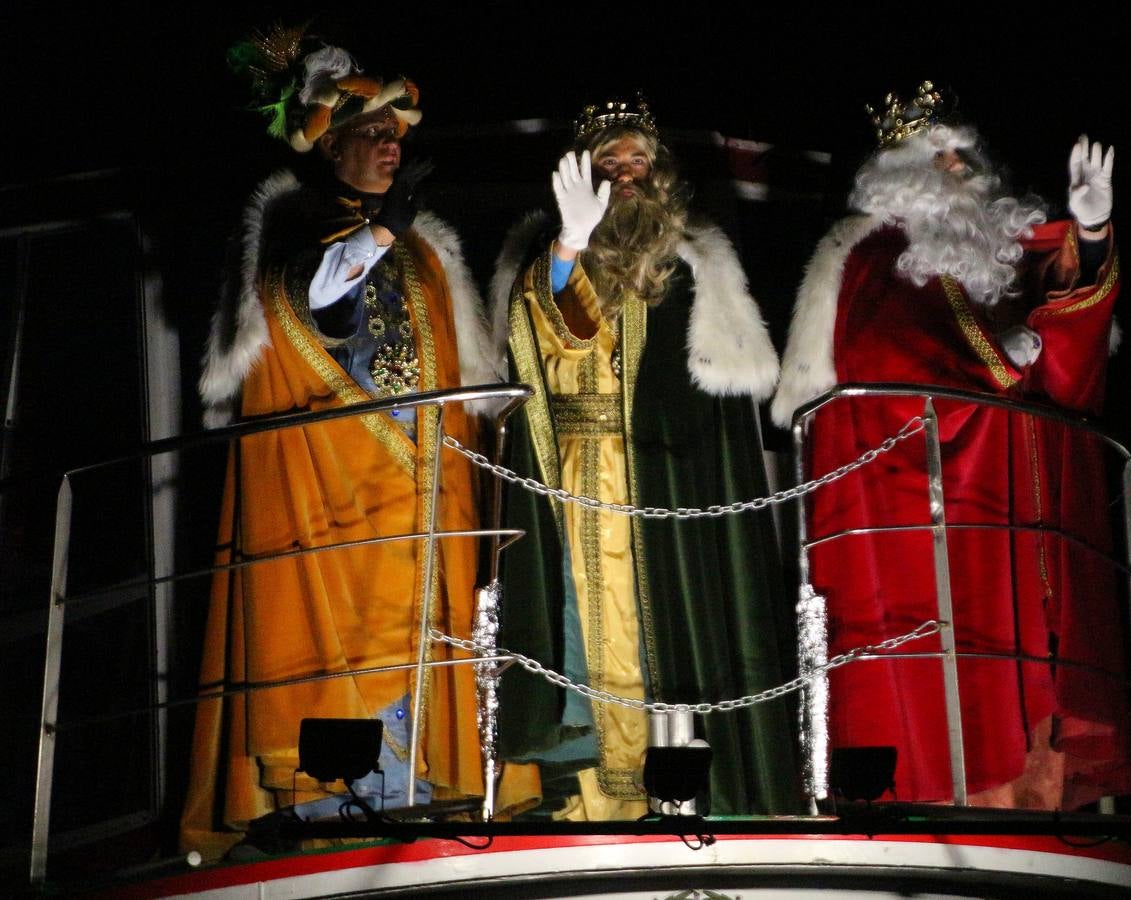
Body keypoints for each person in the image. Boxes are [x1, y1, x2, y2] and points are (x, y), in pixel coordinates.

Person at [182, 28, 536, 859]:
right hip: (334, 478)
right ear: (332, 142)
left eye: (397, 136)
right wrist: (380, 234)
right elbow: (311, 301)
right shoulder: (293, 221)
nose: (390, 148)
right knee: (346, 638)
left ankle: (418, 792)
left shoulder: (418, 244)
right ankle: (342, 810)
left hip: (422, 483)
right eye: (373, 134)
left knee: (427, 630)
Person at [771, 83, 1131, 810]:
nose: (955, 165)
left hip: (1020, 504)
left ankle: (1039, 816)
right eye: (934, 155)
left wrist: (1091, 236)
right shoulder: (873, 254)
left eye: (962, 153)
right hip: (933, 508)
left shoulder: (1003, 255)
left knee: (1030, 669)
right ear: (896, 176)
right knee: (959, 673)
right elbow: (885, 363)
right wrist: (996, 362)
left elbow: (1069, 365)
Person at [490, 97, 798, 819]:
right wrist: (568, 247)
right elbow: (550, 340)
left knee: (673, 632)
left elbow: (710, 409)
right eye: (609, 161)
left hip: (666, 488)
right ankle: (589, 802)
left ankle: (682, 798)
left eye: (637, 160)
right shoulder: (551, 256)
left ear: (659, 172)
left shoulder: (692, 265)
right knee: (578, 636)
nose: (624, 174)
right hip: (573, 478)